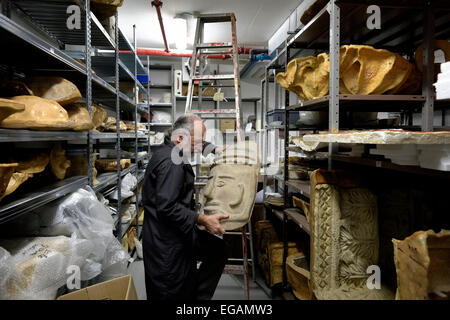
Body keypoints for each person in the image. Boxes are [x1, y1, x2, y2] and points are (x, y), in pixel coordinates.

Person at [142, 114, 229, 300]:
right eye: (198, 142)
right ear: (180, 138)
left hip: (174, 234)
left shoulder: (171, 148)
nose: (199, 147)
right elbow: (167, 207)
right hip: (166, 243)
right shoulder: (172, 163)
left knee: (217, 250)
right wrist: (202, 219)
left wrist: (215, 149)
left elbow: (198, 142)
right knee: (170, 290)